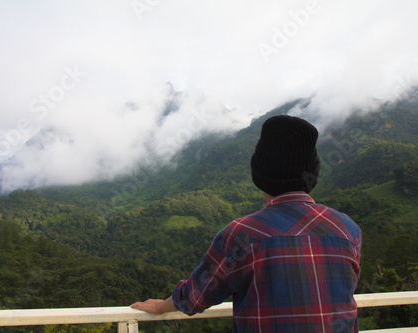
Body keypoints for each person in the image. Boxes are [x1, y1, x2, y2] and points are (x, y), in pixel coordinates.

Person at [131, 115, 362, 332]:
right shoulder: (348, 230)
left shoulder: (242, 235)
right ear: (314, 171)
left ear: (258, 173)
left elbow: (195, 298)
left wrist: (161, 306)